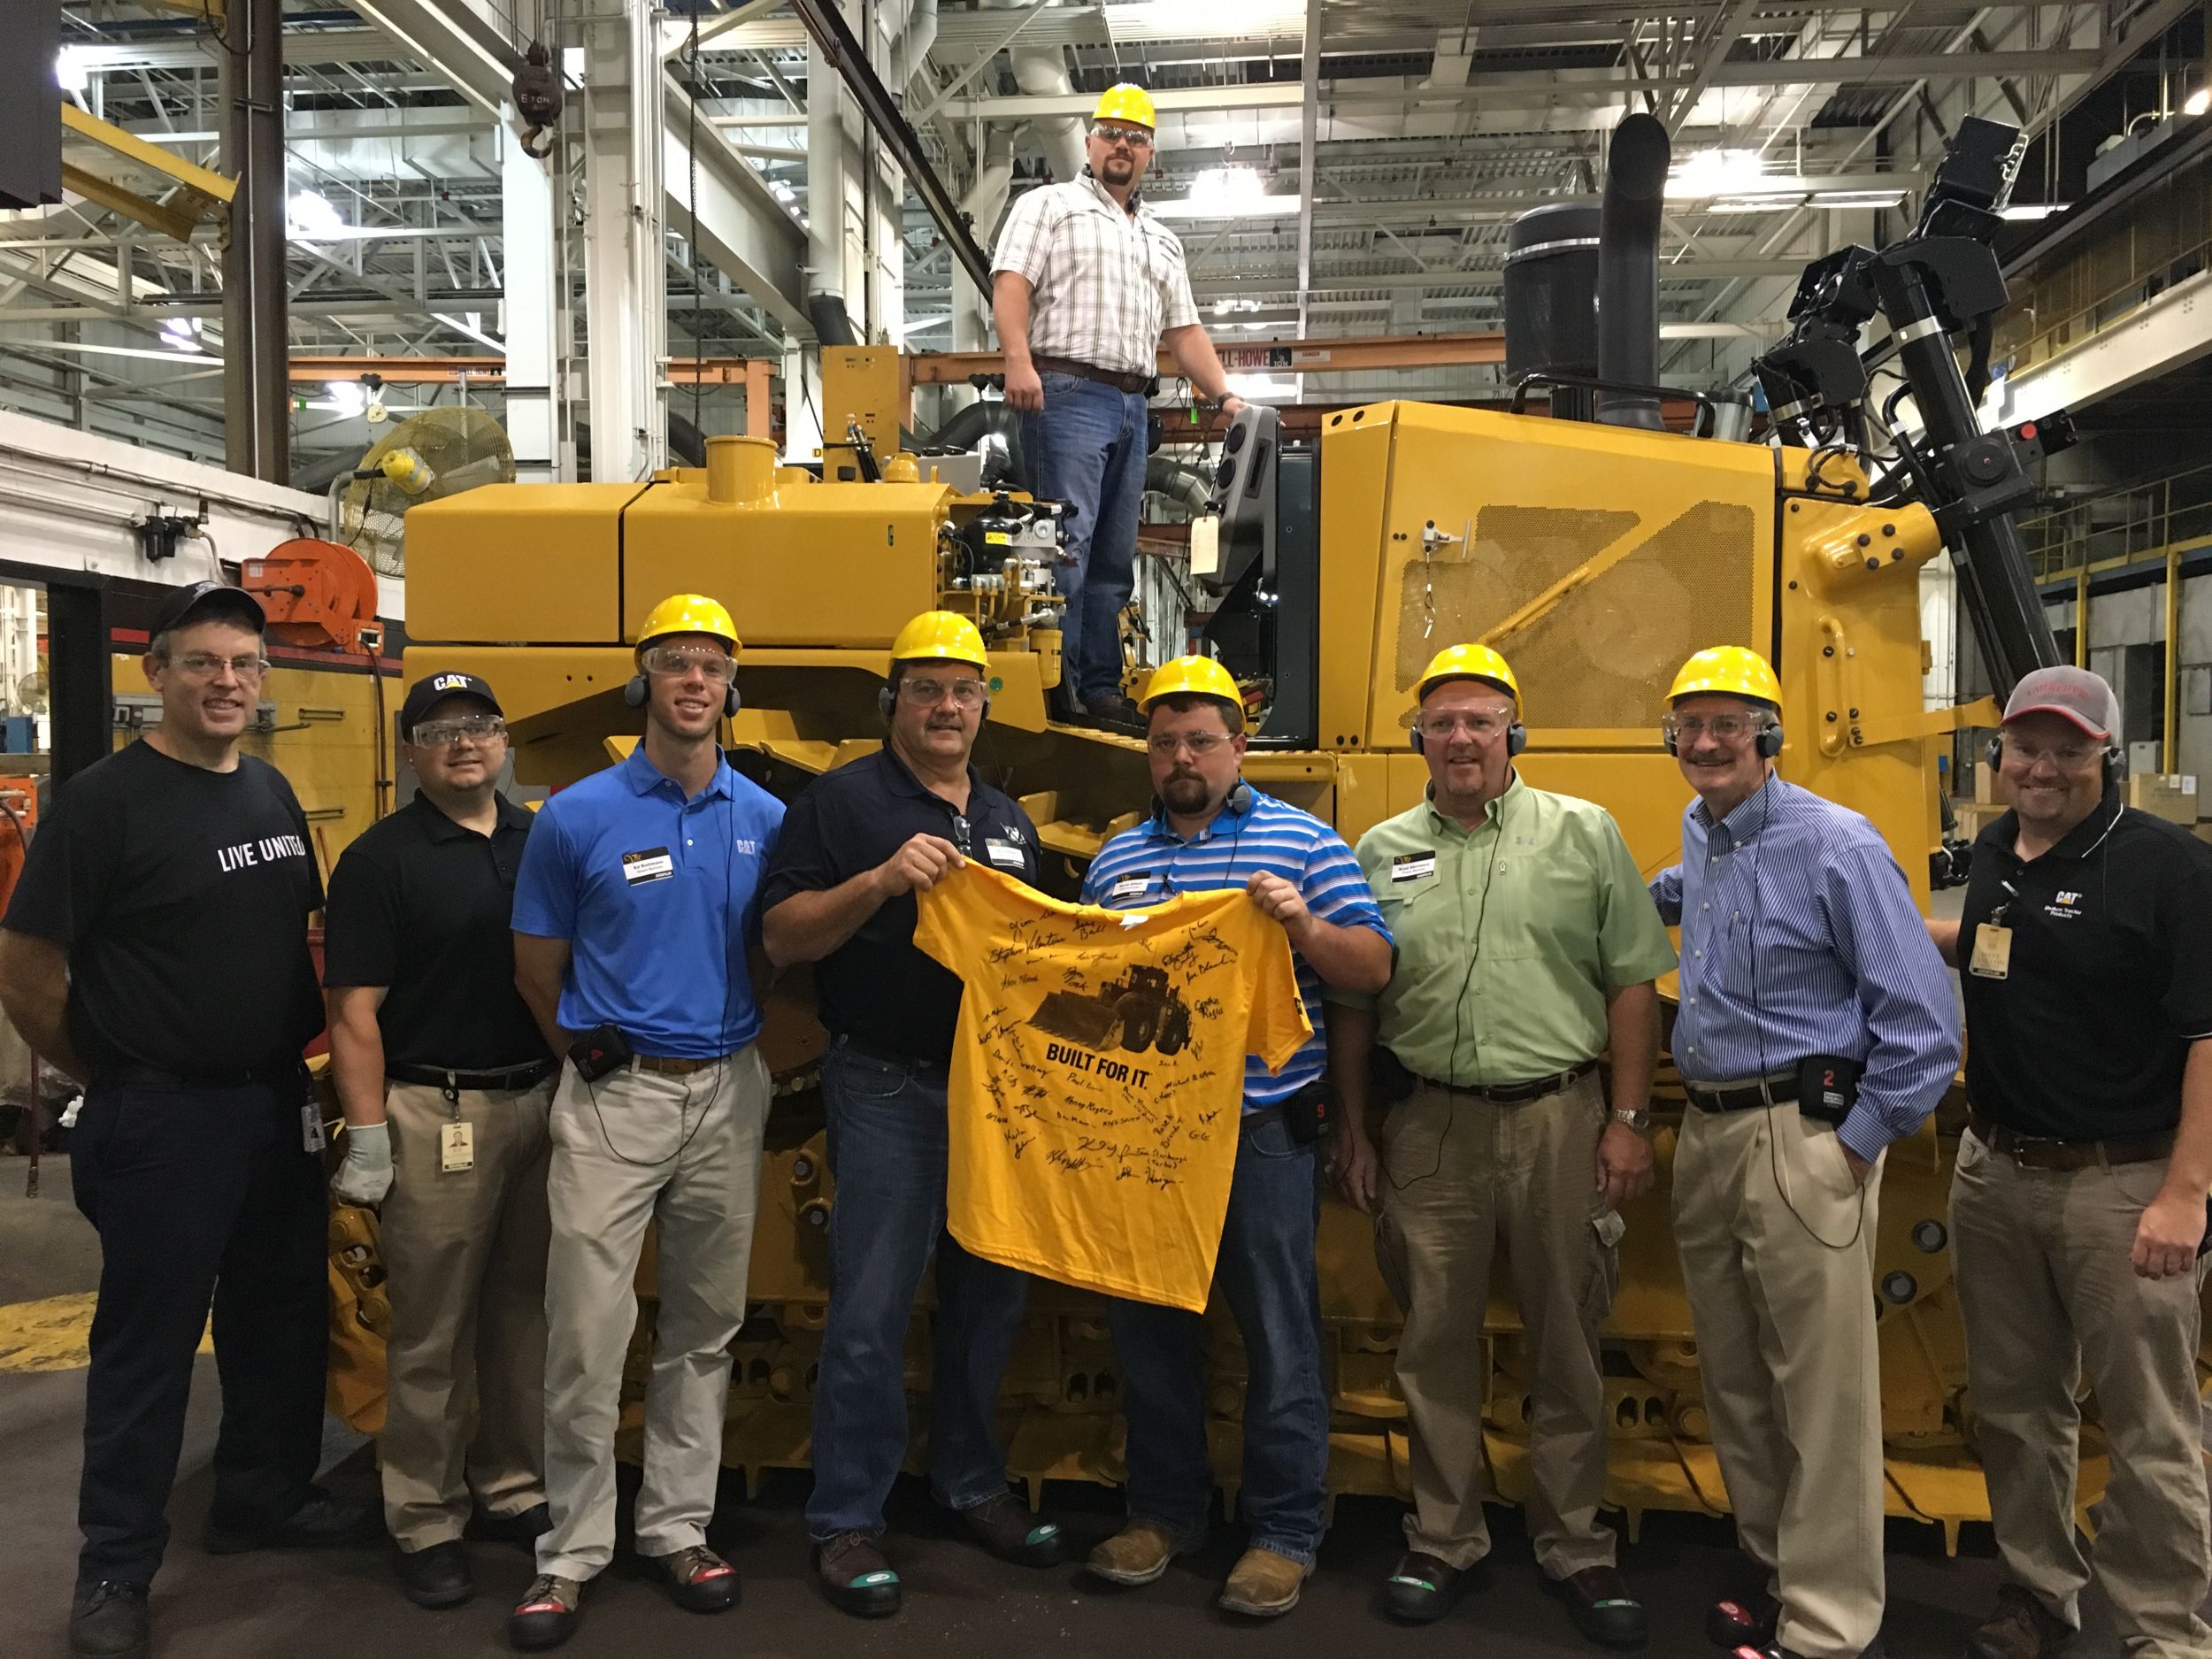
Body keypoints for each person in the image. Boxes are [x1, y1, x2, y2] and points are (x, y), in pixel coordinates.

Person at [0, 580, 369, 1659]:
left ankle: (261, 1493)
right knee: (148, 1348)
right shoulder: (104, 804)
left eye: (244, 666)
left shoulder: (268, 793)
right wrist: (114, 1069)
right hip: (161, 1118)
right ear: (155, 674)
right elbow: (25, 971)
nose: (225, 683)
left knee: (280, 1316)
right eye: (202, 663)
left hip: (269, 1103)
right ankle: (115, 1563)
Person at [1326, 644, 1676, 1646]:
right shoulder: (1379, 847)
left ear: (1512, 733)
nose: (1463, 738)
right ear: (1421, 740)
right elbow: (1354, 1002)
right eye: (1443, 723)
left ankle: (1573, 1543)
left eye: (1482, 720)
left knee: (1567, 1334)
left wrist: (1627, 1118)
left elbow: (1630, 985)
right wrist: (1354, 1124)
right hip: (1428, 1122)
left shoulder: (1584, 833)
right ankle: (1442, 1536)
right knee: (1431, 1337)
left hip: (1559, 1120)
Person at [1647, 645, 1956, 1659]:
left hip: (1800, 1138)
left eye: (1727, 725)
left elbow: (1923, 1026)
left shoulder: (1836, 844)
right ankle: (1780, 1579)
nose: (1704, 743)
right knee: (1735, 1381)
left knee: (1819, 1397)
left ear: (1769, 737)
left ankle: (1825, 1629)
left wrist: (1853, 1148)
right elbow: (1681, 896)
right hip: (1707, 1131)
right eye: (1689, 726)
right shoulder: (1703, 833)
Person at [759, 610, 1064, 1617]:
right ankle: (847, 1518)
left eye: (964, 690)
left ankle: (970, 1483)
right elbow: (785, 936)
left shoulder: (1010, 821)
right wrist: (884, 879)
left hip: (996, 1095)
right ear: (895, 701)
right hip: (886, 1086)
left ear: (985, 705)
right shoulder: (842, 806)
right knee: (871, 1310)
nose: (946, 706)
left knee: (989, 1303)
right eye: (927, 688)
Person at [1077, 654, 1392, 1617]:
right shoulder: (1116, 861)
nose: (1182, 756)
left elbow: (1370, 967)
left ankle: (1283, 1531)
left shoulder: (1304, 846)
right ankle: (1164, 1515)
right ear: (1147, 752)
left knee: (1278, 1335)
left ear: (1237, 747)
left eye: (1200, 740)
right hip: (1145, 1137)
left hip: (1260, 1134)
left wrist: (1297, 924)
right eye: (1164, 741)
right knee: (1151, 1331)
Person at [505, 595, 784, 1651]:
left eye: (712, 666)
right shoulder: (576, 816)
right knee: (585, 1332)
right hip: (614, 1097)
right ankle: (569, 1555)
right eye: (675, 664)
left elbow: (771, 953)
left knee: (703, 1331)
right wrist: (588, 1053)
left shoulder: (763, 818)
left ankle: (676, 1527)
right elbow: (538, 968)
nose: (694, 683)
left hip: (726, 1090)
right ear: (644, 683)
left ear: (730, 689)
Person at [1928, 665, 2212, 1659]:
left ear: (2104, 758)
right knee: (2015, 1407)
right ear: (1998, 754)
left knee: (2149, 1430)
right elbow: (2001, 947)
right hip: (1995, 1173)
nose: (2041, 767)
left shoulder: (2166, 869)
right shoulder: (2001, 848)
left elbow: (2207, 1035)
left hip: (2120, 1186)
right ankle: (2037, 1596)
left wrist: (2184, 1194)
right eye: (2024, 748)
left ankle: (2162, 1635)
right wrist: (1873, 930)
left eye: (2065, 750)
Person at [324, 672, 557, 1611]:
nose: (465, 743)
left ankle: (511, 1487)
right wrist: (372, 1136)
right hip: (438, 1114)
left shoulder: (537, 843)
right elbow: (353, 1012)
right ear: (413, 750)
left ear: (504, 743)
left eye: (482, 727)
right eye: (441, 730)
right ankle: (422, 1515)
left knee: (523, 1317)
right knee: (432, 1332)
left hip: (540, 1105)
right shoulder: (381, 861)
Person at [990, 82, 1248, 728]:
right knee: (1066, 547)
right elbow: (1011, 282)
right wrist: (1017, 359)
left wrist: (1226, 394)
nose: (1122, 146)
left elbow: (1183, 332)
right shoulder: (1048, 206)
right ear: (1089, 140)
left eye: (1135, 138)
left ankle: (1099, 689)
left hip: (1133, 406)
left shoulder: (1161, 241)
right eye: (1111, 133)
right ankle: (1060, 690)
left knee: (1111, 557)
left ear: (1150, 153)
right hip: (1067, 391)